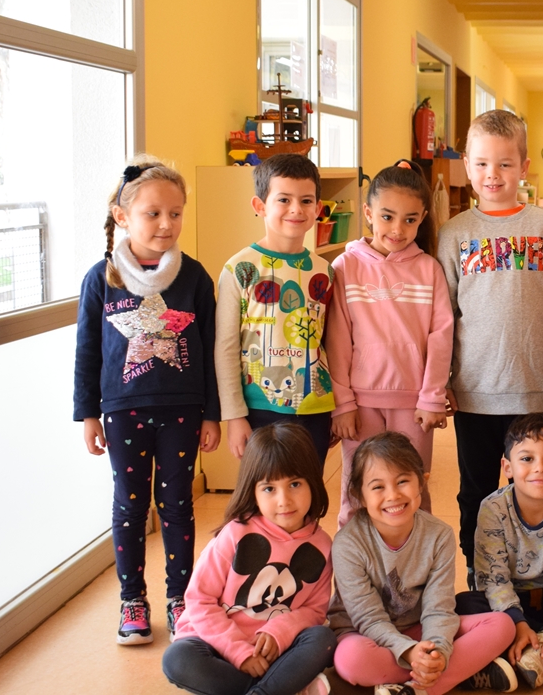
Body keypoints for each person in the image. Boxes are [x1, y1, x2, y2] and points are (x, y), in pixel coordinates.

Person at [74, 157, 221, 645]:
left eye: (175, 213)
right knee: (129, 507)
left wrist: (213, 414)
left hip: (183, 411)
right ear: (122, 216)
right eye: (153, 213)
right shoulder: (101, 279)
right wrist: (87, 414)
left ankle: (181, 599)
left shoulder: (194, 277)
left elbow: (211, 350)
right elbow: (87, 352)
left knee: (177, 505)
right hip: (122, 412)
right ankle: (132, 600)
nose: (166, 224)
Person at [436, 109, 543, 578]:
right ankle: (480, 576)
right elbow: (443, 315)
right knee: (476, 490)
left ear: (524, 166)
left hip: (531, 387)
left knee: (534, 488)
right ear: (467, 166)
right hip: (474, 389)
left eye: (505, 164)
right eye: (482, 164)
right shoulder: (454, 232)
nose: (492, 174)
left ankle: (532, 576)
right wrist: (441, 378)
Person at [329, 432, 518, 695]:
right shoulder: (348, 543)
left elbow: (438, 608)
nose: (393, 495)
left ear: (422, 482)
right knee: (350, 659)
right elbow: (367, 618)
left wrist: (437, 650)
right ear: (359, 494)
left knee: (502, 626)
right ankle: (456, 674)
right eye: (378, 487)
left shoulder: (438, 535)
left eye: (402, 481)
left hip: (419, 630)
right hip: (367, 636)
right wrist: (409, 652)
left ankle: (412, 688)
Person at [162, 423, 337, 695]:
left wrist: (279, 632)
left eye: (295, 484)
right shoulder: (235, 534)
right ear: (252, 491)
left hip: (277, 651)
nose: (284, 500)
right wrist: (239, 653)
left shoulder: (322, 546)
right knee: (177, 659)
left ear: (312, 482)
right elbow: (199, 599)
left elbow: (315, 611)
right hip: (216, 645)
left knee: (323, 639)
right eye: (269, 488)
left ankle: (267, 689)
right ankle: (278, 688)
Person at [325, 161, 453, 524]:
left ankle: (416, 559)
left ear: (423, 218)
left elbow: (441, 336)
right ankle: (354, 560)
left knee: (413, 490)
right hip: (360, 404)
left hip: (414, 405)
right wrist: (342, 403)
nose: (398, 229)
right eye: (387, 217)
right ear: (368, 213)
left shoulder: (429, 269)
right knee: (358, 491)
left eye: (410, 220)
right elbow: (337, 339)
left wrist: (432, 397)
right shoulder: (345, 267)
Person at [215, 154, 336, 470]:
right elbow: (226, 347)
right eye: (284, 199)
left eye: (306, 200)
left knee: (309, 490)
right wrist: (234, 415)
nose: (296, 209)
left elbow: (330, 342)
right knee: (265, 490)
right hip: (259, 407)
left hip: (315, 407)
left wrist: (337, 406)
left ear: (318, 209)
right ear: (260, 206)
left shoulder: (325, 271)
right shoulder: (239, 268)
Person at [456, 414, 543, 689]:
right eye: (527, 459)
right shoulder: (492, 508)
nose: (539, 468)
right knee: (462, 605)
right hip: (511, 603)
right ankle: (536, 647)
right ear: (507, 467)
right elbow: (493, 577)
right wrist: (517, 624)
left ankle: (535, 650)